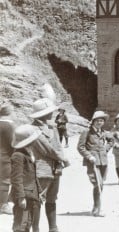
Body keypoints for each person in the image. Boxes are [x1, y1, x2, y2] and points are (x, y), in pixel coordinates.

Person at [29, 97, 69, 232]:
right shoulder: (33, 129)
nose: (52, 113)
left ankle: (53, 228)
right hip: (41, 168)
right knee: (37, 200)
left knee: (52, 199)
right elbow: (47, 149)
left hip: (55, 169)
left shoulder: (52, 127)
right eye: (49, 111)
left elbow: (58, 146)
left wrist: (59, 164)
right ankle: (36, 229)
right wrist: (63, 159)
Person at [77, 110, 110, 217]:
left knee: (101, 184)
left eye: (101, 121)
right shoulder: (87, 132)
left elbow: (112, 141)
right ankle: (97, 209)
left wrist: (106, 149)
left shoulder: (104, 132)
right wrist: (89, 156)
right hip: (92, 162)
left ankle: (96, 207)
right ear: (93, 121)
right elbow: (80, 147)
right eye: (97, 121)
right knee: (97, 184)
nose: (99, 123)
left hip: (103, 161)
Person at [10, 125, 43, 232]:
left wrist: (39, 192)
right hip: (24, 195)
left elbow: (33, 175)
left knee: (31, 222)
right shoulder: (18, 155)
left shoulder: (29, 152)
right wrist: (21, 197)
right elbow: (16, 178)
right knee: (21, 224)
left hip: (33, 194)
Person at [1, 102, 15, 215]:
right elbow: (12, 143)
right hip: (5, 157)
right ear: (9, 113)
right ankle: (4, 205)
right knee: (5, 181)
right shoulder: (8, 126)